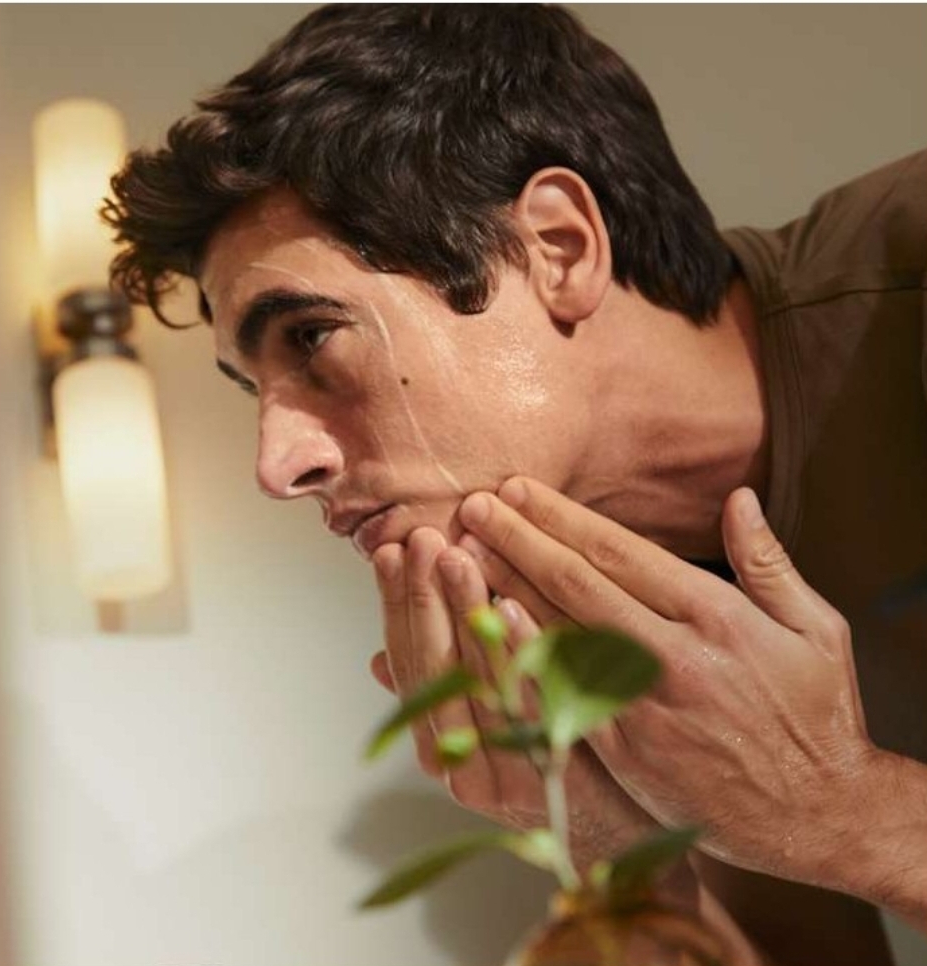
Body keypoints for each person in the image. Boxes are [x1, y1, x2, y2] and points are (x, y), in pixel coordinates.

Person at [103, 4, 927, 962]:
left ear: (556, 247)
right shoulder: (594, 613)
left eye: (312, 336)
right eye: (256, 391)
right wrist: (615, 856)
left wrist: (848, 810)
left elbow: (845, 826)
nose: (279, 466)